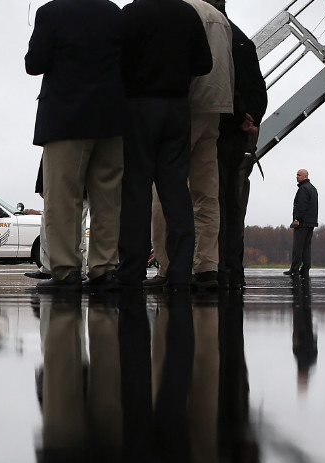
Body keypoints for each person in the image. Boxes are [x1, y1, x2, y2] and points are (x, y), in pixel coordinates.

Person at [26, 0, 125, 293]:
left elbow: (35, 64)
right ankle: (105, 268)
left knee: (63, 198)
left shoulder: (50, 12)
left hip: (66, 118)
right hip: (111, 117)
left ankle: (66, 270)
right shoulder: (113, 12)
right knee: (108, 199)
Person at [117, 0, 213, 291]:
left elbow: (116, 61)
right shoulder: (187, 13)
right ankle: (180, 270)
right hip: (177, 108)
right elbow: (204, 64)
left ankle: (132, 268)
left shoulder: (131, 14)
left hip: (138, 108)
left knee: (136, 191)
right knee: (175, 191)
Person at [145, 0, 234, 291]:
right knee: (206, 190)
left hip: (186, 103)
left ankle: (167, 264)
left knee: (166, 187)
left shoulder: (181, 11)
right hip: (217, 106)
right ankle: (207, 264)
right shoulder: (219, 18)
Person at [213, 0, 268, 290]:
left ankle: (215, 266)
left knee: (211, 201)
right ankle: (234, 268)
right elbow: (259, 91)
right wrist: (249, 119)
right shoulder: (243, 40)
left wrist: (234, 117)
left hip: (216, 131)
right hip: (239, 137)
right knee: (234, 203)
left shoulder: (214, 37)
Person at [284, 168, 318, 278]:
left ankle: (294, 269)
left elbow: (302, 205)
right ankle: (305, 269)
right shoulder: (313, 189)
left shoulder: (303, 189)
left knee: (298, 246)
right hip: (311, 222)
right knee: (306, 247)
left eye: (299, 175)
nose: (297, 177)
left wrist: (297, 219)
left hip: (302, 222)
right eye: (296, 175)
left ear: (305, 176)